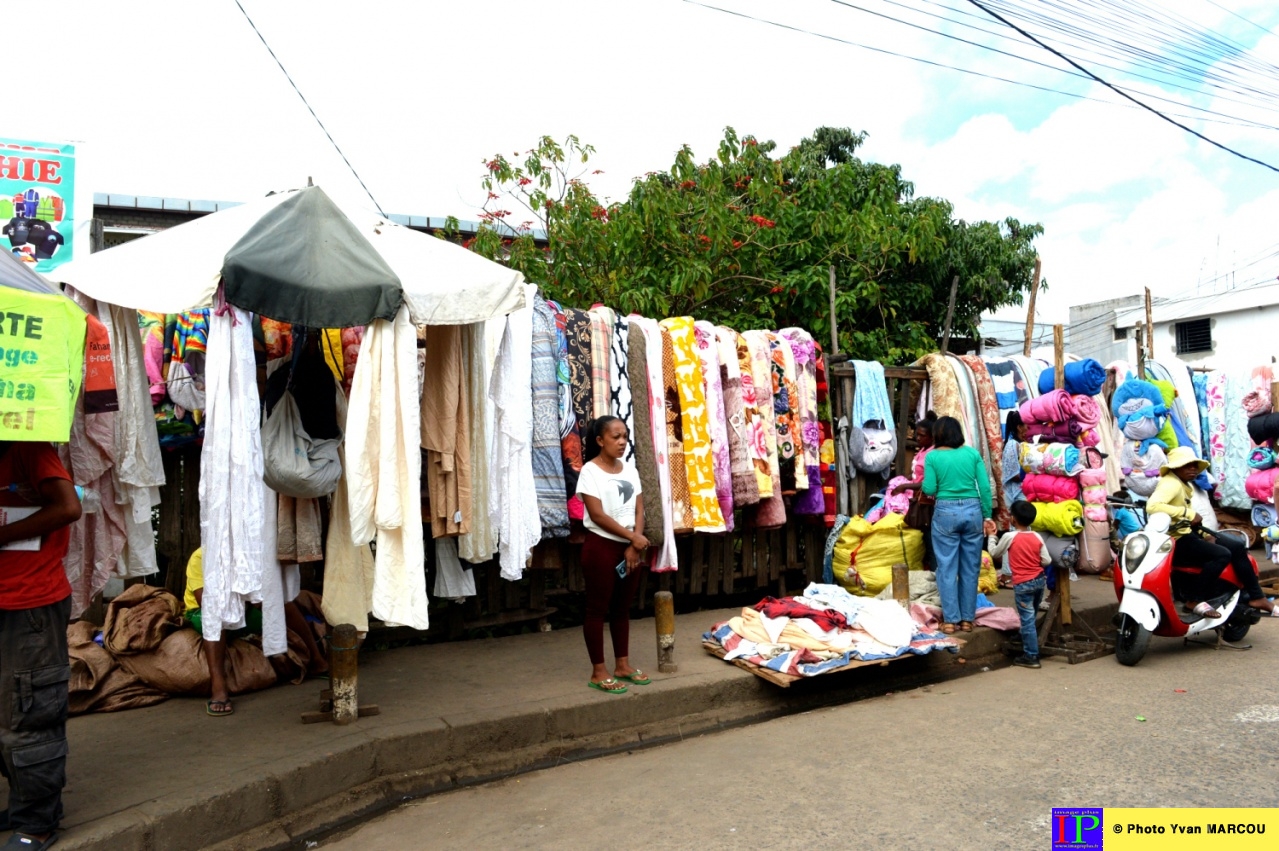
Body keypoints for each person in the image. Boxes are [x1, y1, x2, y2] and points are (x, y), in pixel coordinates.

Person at [0, 441, 83, 850]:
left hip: (30, 602)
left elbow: (68, 507)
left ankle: (37, 822)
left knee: (30, 712)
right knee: (5, 713)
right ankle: (23, 806)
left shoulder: (28, 451)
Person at [184, 547, 329, 717]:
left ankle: (317, 661)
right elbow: (205, 602)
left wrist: (258, 600)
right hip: (203, 612)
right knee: (216, 616)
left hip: (244, 610)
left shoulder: (248, 554)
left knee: (283, 603)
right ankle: (219, 687)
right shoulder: (201, 556)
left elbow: (260, 592)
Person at [1147, 446, 1279, 619]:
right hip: (1176, 540)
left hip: (1189, 533)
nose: (1193, 469)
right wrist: (1188, 513)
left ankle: (1257, 597)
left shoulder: (1182, 484)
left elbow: (1187, 520)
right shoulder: (1170, 483)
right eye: (1188, 466)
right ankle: (1194, 599)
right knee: (1221, 555)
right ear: (1176, 468)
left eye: (1195, 466)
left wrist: (1203, 535)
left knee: (1237, 546)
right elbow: (1152, 506)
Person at [575, 416, 650, 694]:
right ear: (600, 441)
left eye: (624, 436)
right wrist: (633, 538)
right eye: (615, 437)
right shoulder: (589, 472)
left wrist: (635, 544)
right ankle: (599, 671)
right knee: (597, 610)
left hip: (631, 547)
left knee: (622, 608)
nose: (622, 442)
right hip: (602, 547)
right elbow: (596, 514)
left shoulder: (630, 470)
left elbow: (639, 509)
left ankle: (623, 665)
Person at [923, 416, 996, 635]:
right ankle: (967, 620)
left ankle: (950, 621)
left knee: (946, 567)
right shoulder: (972, 454)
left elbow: (928, 488)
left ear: (938, 435)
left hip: (945, 511)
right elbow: (984, 487)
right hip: (973, 510)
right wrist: (987, 515)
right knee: (970, 566)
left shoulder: (932, 456)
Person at [987, 501, 1051, 669]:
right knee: (1031, 615)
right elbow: (1047, 560)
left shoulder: (1009, 537)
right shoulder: (1036, 536)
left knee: (1027, 619)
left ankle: (1031, 656)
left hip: (1023, 583)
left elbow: (994, 553)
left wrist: (992, 536)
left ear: (1013, 519)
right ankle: (1023, 636)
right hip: (1039, 581)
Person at [890, 413, 937, 565]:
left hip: (927, 501)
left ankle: (934, 570)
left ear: (932, 437)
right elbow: (917, 474)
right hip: (916, 497)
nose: (918, 438)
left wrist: (905, 486)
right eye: (917, 435)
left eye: (922, 436)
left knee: (929, 536)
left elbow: (929, 483)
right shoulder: (922, 451)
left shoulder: (932, 453)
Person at [1001, 410, 1027, 510]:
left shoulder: (1022, 443)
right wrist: (1031, 474)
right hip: (1017, 494)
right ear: (1019, 427)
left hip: (1023, 492)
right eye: (1026, 426)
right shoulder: (1012, 444)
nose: (1028, 429)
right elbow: (1013, 474)